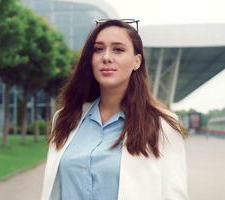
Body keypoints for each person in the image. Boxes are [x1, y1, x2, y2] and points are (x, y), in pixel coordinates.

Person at [41, 19, 188, 200]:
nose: (106, 57)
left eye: (118, 49)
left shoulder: (162, 125)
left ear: (136, 61)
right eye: (98, 49)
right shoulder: (65, 119)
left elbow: (174, 195)